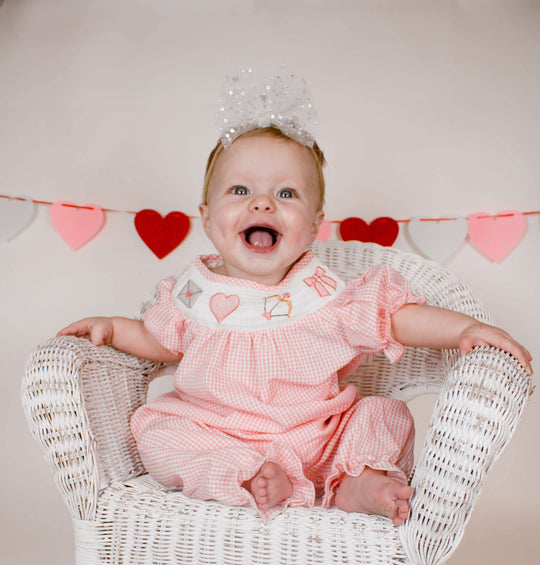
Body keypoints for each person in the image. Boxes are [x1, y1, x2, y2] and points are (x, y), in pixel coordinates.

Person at [57, 72, 532, 525]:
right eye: (240, 189)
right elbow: (160, 341)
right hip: (220, 434)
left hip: (316, 438)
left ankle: (357, 483)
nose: (262, 203)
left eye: (286, 193)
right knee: (157, 432)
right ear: (206, 217)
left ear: (313, 226)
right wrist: (114, 329)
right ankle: (248, 478)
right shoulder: (195, 291)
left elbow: (396, 318)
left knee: (382, 413)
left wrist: (464, 329)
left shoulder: (321, 294)